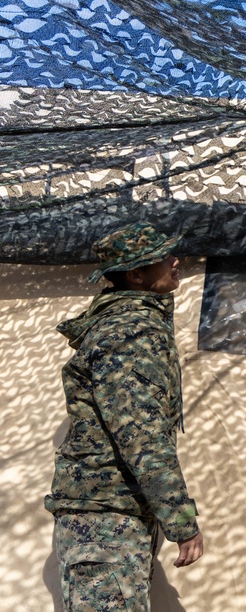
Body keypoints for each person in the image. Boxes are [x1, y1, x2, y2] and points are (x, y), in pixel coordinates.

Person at [46, 221, 204, 612]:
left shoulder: (125, 325)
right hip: (105, 524)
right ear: (136, 275)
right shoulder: (130, 333)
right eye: (164, 257)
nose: (176, 261)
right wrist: (181, 521)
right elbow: (141, 435)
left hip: (109, 518)